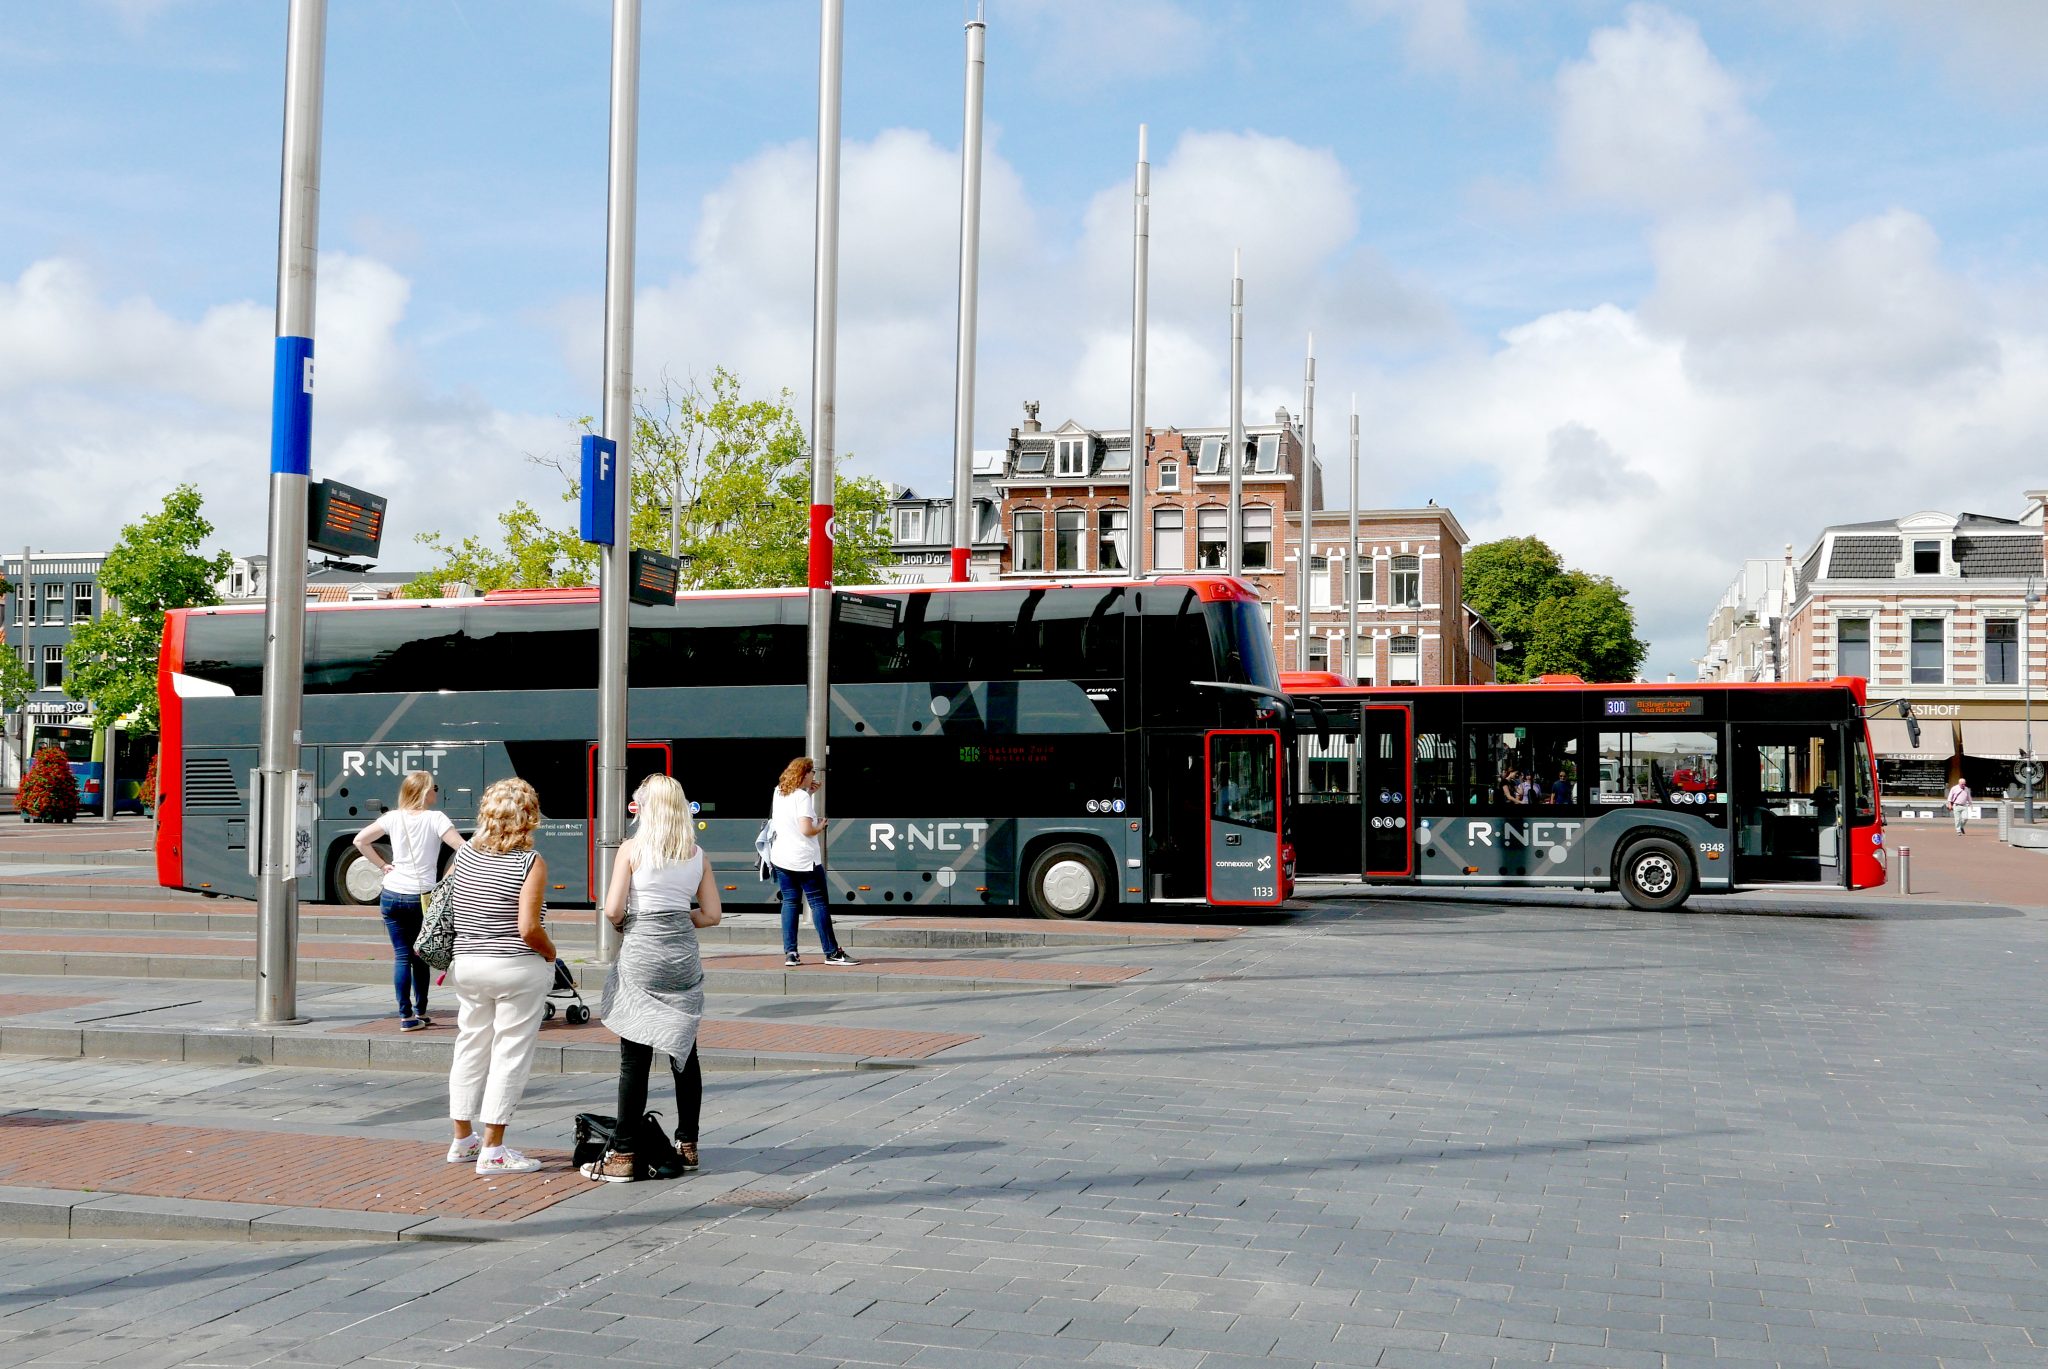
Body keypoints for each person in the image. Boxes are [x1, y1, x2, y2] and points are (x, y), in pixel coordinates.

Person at [583, 774, 722, 1183]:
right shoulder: (697, 854)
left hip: (643, 953)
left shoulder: (631, 849)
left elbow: (612, 910)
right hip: (682, 959)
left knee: (634, 1059)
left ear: (647, 809)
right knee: (684, 1054)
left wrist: (634, 923)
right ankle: (688, 1145)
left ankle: (623, 1154)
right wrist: (679, 918)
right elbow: (712, 915)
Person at [445, 778, 558, 1176]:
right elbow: (528, 928)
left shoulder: (465, 856)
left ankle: (462, 1140)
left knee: (471, 1044)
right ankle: (493, 1149)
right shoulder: (531, 862)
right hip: (513, 966)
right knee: (509, 1054)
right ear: (529, 815)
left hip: (468, 963)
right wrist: (551, 953)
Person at [352, 771, 466, 1032]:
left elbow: (359, 840)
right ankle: (420, 1011)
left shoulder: (392, 818)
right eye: (434, 787)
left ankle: (405, 1016)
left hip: (391, 894)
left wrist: (383, 866)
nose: (436, 791)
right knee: (420, 955)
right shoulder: (436, 819)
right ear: (425, 792)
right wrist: (447, 876)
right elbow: (462, 848)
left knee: (402, 956)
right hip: (421, 896)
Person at [769, 757, 858, 968]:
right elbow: (806, 830)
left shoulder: (779, 791)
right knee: (818, 903)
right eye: (812, 773)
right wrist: (821, 825)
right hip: (804, 860)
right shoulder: (801, 797)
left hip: (781, 858)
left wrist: (809, 792)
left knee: (790, 902)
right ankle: (832, 952)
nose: (814, 777)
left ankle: (791, 953)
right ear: (804, 774)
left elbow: (789, 815)